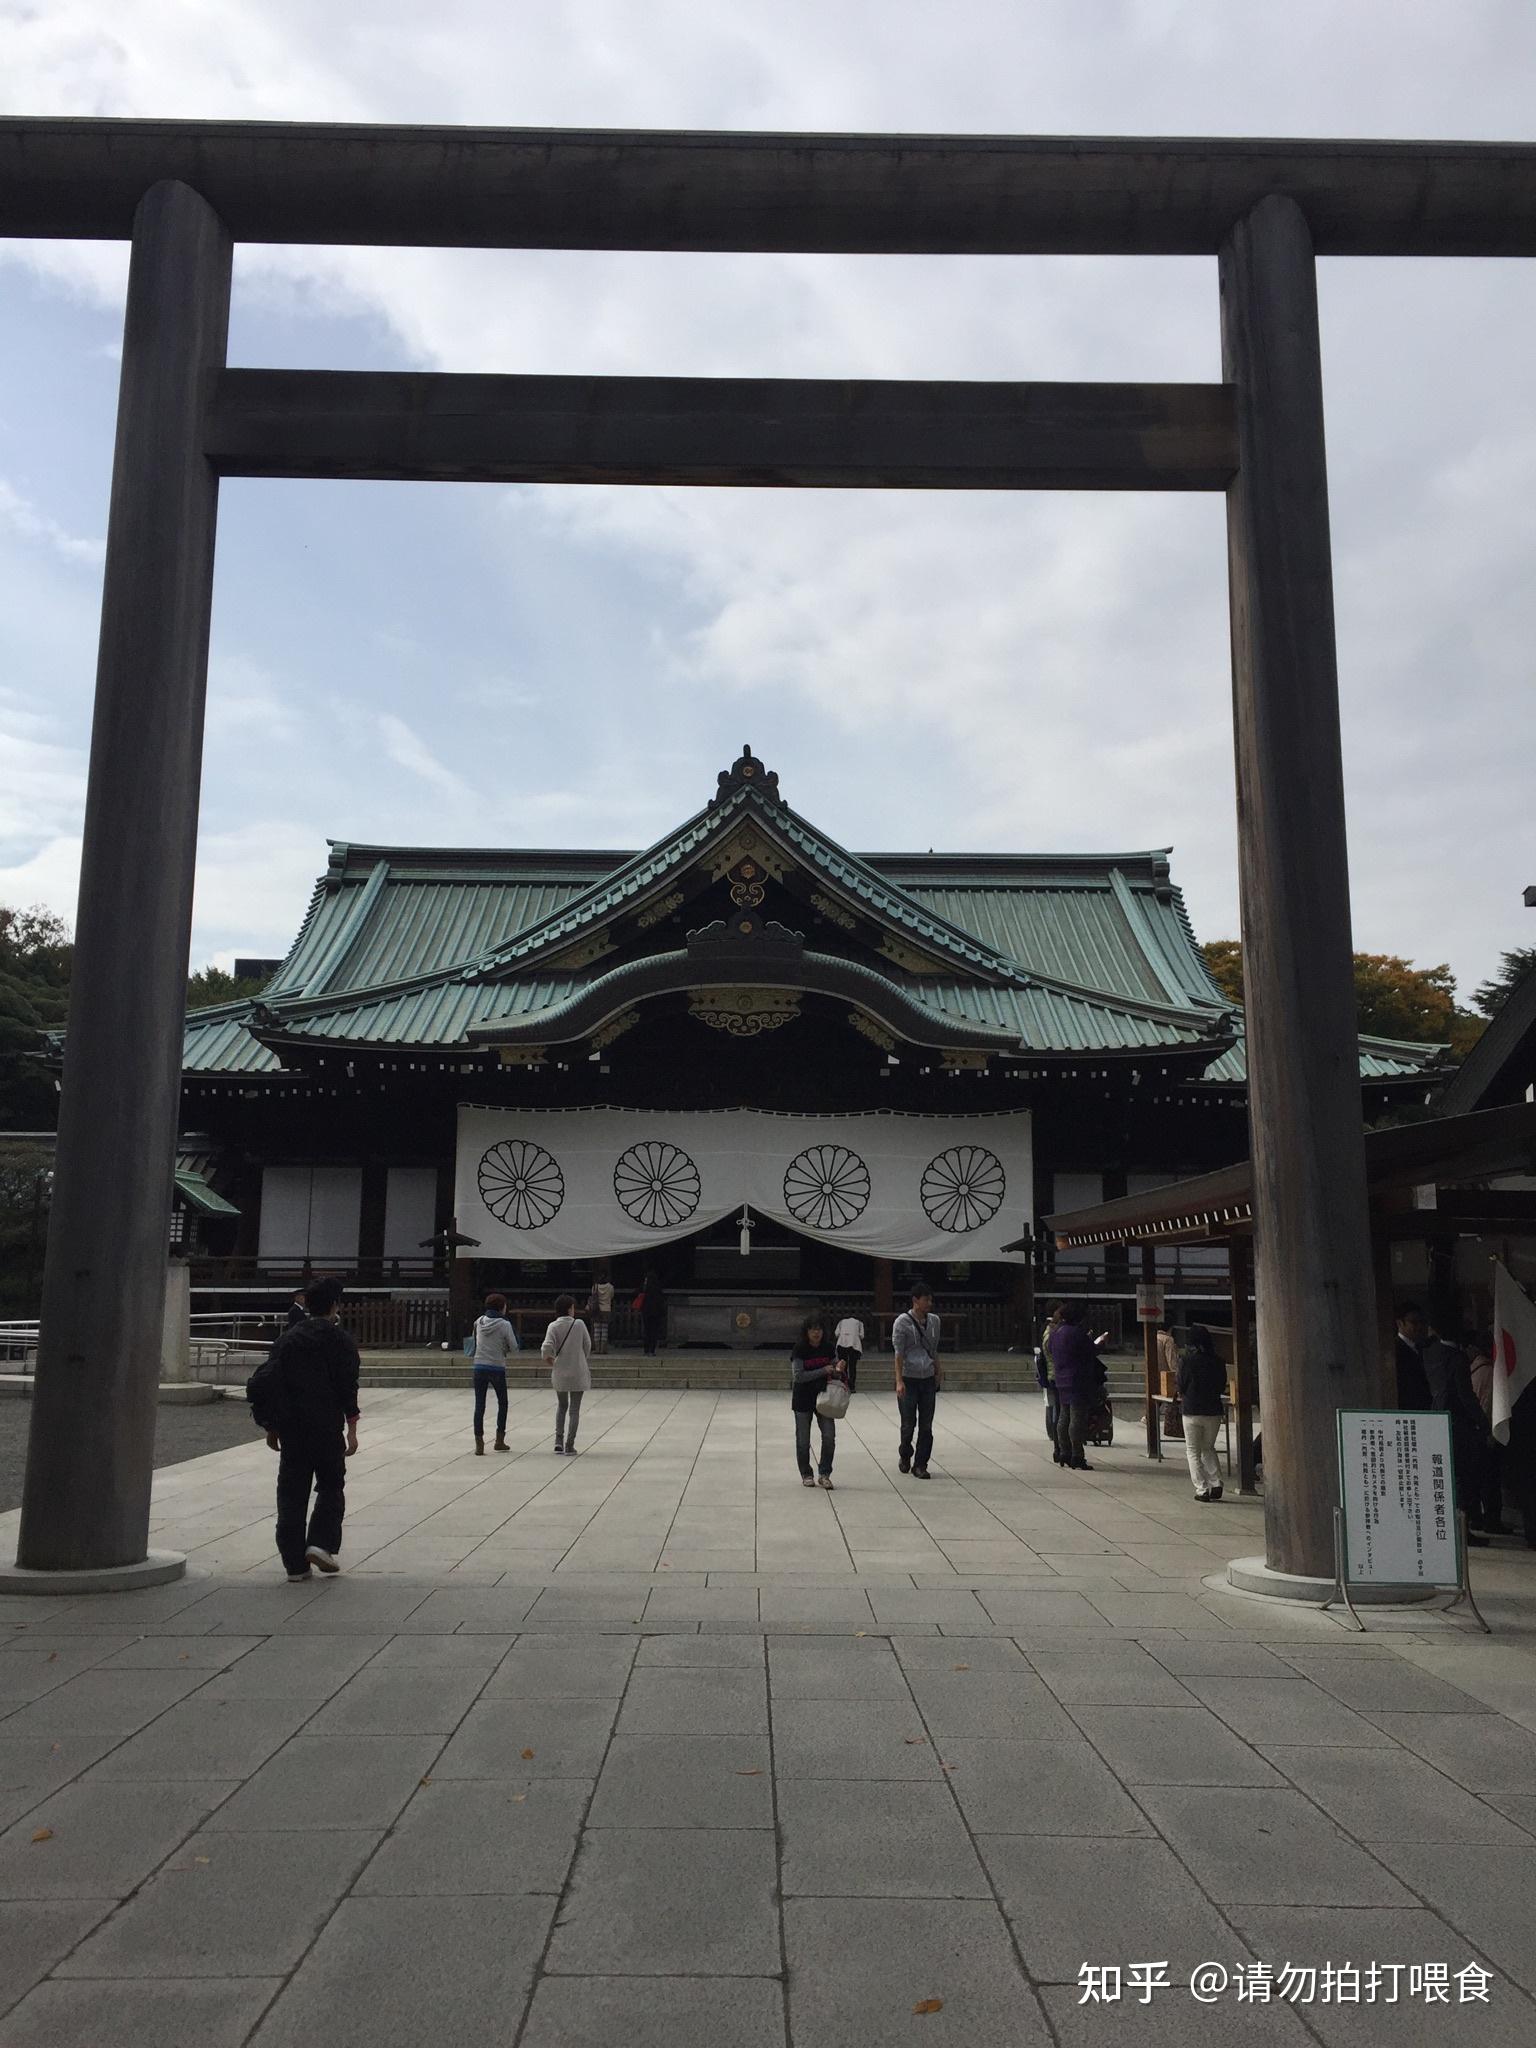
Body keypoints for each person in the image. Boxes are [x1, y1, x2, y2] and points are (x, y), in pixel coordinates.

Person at [261, 1276, 360, 1581]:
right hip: (326, 1425)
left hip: (292, 1427)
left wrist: (271, 1426)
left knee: (291, 1492)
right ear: (334, 1306)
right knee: (331, 1484)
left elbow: (271, 1382)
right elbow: (348, 1386)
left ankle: (294, 1563)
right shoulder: (340, 1340)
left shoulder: (287, 1339)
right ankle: (320, 1542)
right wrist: (351, 1427)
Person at [1422, 1323, 1491, 1547]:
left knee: (1447, 1478)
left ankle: (1451, 1527)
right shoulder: (1457, 1358)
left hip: (1436, 1422)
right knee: (1462, 1479)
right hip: (1459, 1426)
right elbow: (1465, 1395)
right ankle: (1461, 1529)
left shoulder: (1430, 1353)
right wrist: (1483, 1422)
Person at [1045, 1301, 1103, 1472]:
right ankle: (1077, 1454)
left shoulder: (1056, 1333)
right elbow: (1091, 1350)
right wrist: (1100, 1342)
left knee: (1064, 1416)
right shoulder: (1077, 1333)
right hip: (1078, 1379)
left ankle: (1064, 1451)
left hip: (1061, 1377)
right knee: (1077, 1418)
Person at [893, 1284, 942, 1479]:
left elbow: (934, 1348)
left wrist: (938, 1369)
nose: (929, 1303)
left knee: (926, 1424)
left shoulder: (935, 1322)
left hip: (927, 1376)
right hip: (909, 1377)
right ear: (915, 1300)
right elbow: (898, 1354)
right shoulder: (902, 1322)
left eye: (930, 1300)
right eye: (925, 1300)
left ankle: (921, 1464)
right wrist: (899, 1380)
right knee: (908, 1423)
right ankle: (905, 1452)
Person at [1467, 1330, 1512, 1535]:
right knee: (1489, 1479)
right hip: (1486, 1433)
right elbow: (1486, 1404)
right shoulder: (1488, 1371)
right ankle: (1492, 1520)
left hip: (1475, 1433)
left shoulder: (1473, 1370)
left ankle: (1478, 1518)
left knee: (1479, 1479)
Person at [1177, 1323, 1227, 1502]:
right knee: (1208, 1447)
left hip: (1192, 1410)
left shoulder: (1186, 1361)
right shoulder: (1218, 1361)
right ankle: (1216, 1483)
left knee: (1192, 1450)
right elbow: (1222, 1385)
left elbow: (1181, 1384)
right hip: (1213, 1410)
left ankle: (1202, 1488)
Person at [791, 1313, 840, 1489]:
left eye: (819, 1329)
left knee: (829, 1436)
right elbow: (798, 1376)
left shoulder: (828, 1347)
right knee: (803, 1439)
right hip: (803, 1398)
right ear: (806, 1332)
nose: (816, 1333)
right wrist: (823, 1370)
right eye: (813, 1329)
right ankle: (806, 1473)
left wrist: (837, 1369)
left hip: (825, 1398)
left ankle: (825, 1473)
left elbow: (834, 1367)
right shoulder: (799, 1349)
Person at [543, 1292, 592, 1455]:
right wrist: (580, 1359)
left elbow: (546, 1349)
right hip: (578, 1371)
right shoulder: (579, 1324)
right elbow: (587, 1345)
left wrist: (552, 1362)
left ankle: (558, 1441)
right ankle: (570, 1444)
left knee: (562, 1406)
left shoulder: (553, 1326)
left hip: (560, 1372)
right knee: (574, 1409)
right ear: (570, 1308)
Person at [470, 1291, 516, 1454]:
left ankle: (479, 1442)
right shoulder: (505, 1325)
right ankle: (499, 1439)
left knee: (479, 1405)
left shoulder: (478, 1321)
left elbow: (475, 1342)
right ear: (502, 1307)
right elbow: (514, 1346)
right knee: (502, 1403)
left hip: (479, 1366)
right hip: (497, 1366)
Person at [1036, 1303, 1064, 1457]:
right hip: (1055, 1374)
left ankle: (1056, 1439)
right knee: (1058, 1409)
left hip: (1053, 1374)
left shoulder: (1050, 1331)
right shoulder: (1052, 1333)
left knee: (1055, 1408)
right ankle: (1057, 1440)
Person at [1395, 1305, 1433, 1409]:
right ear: (1400, 1323)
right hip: (1407, 1407)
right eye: (1414, 1322)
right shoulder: (1395, 1350)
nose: (1419, 1327)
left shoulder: (1421, 1347)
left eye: (1421, 1322)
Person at [833, 1309, 864, 1394]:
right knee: (852, 1366)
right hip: (854, 1344)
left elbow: (836, 1333)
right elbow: (861, 1335)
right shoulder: (859, 1323)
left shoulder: (841, 1322)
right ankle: (852, 1386)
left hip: (842, 1343)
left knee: (843, 1366)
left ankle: (844, 1384)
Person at [586, 1272, 615, 1356]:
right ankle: (603, 1348)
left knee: (597, 1330)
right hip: (606, 1309)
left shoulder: (595, 1287)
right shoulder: (610, 1287)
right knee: (605, 1330)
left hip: (596, 1310)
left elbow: (592, 1296)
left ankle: (597, 1348)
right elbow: (611, 1296)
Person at [639, 1271, 666, 1357]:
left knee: (647, 1331)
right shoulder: (658, 1289)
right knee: (654, 1332)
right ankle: (652, 1350)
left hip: (646, 1312)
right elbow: (661, 1301)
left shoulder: (645, 1289)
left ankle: (646, 1350)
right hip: (656, 1313)